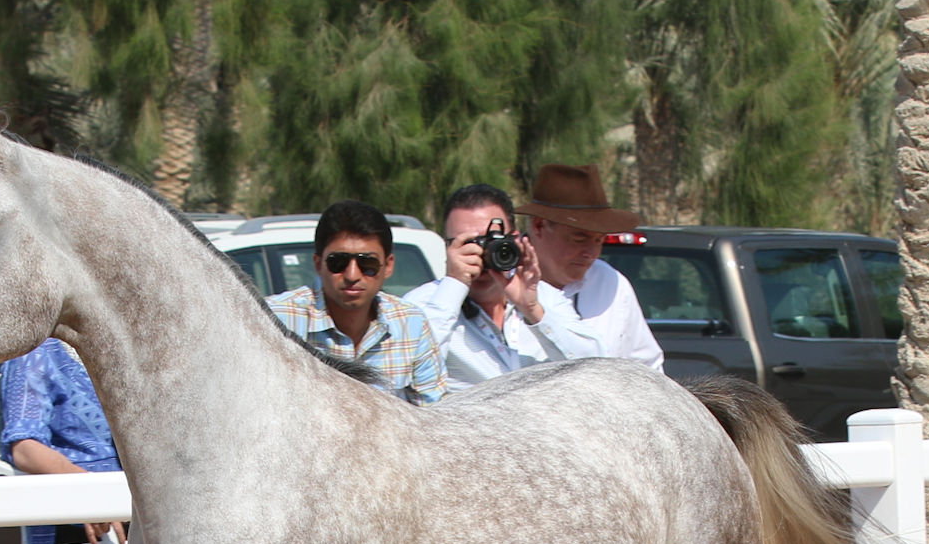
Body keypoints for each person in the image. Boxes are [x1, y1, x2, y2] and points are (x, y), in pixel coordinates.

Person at [403, 184, 617, 392]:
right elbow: (408, 373)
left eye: (489, 241)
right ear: (448, 247)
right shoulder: (422, 305)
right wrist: (455, 285)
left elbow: (597, 365)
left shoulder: (543, 297)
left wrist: (532, 310)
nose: (480, 253)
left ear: (514, 240)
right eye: (467, 243)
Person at [262, 200, 447, 403]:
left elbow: (432, 409)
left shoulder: (411, 323)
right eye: (338, 262)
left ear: (388, 266)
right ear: (318, 264)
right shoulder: (275, 320)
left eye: (367, 263)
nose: (352, 275)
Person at [0, 337, 123, 544]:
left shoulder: (122, 344)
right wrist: (90, 489)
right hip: (83, 516)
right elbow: (24, 448)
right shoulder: (34, 353)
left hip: (135, 501)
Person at [521, 163, 665, 371]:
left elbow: (648, 368)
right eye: (579, 239)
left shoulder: (612, 284)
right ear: (539, 226)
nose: (591, 252)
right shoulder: (496, 285)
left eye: (599, 240)